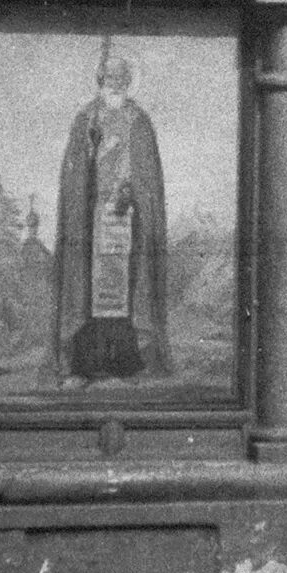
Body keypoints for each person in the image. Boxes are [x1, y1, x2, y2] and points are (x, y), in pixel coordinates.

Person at [54, 44, 169, 381]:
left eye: (122, 77)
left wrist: (130, 192)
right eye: (110, 77)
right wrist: (89, 159)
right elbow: (74, 173)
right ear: (100, 79)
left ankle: (127, 363)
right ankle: (87, 366)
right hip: (91, 222)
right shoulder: (86, 118)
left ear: (129, 81)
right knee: (90, 290)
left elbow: (147, 173)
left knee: (126, 291)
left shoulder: (139, 120)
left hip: (127, 220)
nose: (116, 82)